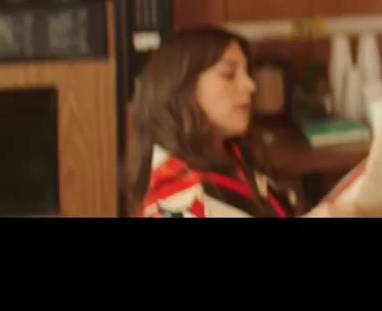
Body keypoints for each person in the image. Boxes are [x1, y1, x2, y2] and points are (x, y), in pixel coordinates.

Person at [126, 26, 340, 218]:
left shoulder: (233, 155)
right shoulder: (176, 200)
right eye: (229, 74)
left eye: (247, 73)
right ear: (182, 90)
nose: (250, 85)